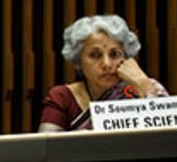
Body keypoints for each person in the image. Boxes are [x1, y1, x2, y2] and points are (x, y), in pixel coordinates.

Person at [39, 14, 168, 132]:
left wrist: (143, 85)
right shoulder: (63, 97)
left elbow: (168, 140)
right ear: (78, 60)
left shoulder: (145, 86)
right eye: (95, 55)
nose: (107, 64)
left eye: (115, 54)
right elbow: (45, 148)